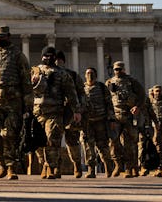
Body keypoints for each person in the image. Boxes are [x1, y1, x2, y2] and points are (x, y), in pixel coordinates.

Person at [0, 25, 32, 181]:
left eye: (2, 36)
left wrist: (28, 102)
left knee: (10, 133)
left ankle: (11, 166)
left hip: (13, 100)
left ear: (9, 37)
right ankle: (1, 162)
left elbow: (26, 80)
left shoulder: (18, 56)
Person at [31, 46, 81, 179]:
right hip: (37, 112)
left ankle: (52, 167)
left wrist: (76, 110)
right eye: (45, 56)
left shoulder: (62, 74)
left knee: (52, 139)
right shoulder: (34, 71)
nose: (47, 58)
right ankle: (45, 164)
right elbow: (26, 90)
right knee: (37, 142)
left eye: (50, 56)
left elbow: (71, 93)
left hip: (55, 111)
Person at [105, 60, 145, 178]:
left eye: (120, 69)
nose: (118, 71)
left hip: (128, 116)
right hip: (115, 117)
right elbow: (106, 100)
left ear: (124, 70)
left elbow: (142, 96)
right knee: (113, 142)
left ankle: (129, 167)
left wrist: (137, 106)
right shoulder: (109, 82)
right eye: (116, 69)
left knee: (130, 143)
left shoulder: (132, 82)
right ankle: (117, 165)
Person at [55, 50, 86, 178]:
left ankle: (77, 165)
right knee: (54, 140)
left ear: (63, 61)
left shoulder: (73, 75)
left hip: (70, 111)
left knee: (72, 141)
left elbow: (81, 93)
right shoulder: (50, 74)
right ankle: (55, 167)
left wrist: (78, 110)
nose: (56, 62)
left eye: (58, 59)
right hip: (55, 111)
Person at [81, 67, 115, 178]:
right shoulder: (82, 88)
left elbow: (109, 103)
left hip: (100, 120)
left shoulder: (101, 87)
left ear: (96, 75)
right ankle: (91, 170)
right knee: (88, 146)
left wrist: (111, 118)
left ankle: (108, 167)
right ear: (85, 75)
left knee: (103, 145)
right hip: (87, 123)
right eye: (88, 73)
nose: (90, 75)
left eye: (92, 73)